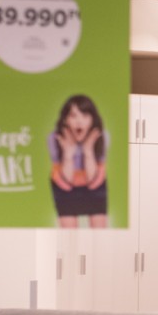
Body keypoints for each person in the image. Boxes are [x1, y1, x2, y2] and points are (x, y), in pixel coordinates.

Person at [48, 94, 108, 228]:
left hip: (95, 185)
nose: (79, 122)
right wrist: (68, 154)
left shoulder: (101, 137)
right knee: (69, 234)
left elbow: (94, 182)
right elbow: (65, 183)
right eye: (73, 116)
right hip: (64, 187)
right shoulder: (55, 138)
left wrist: (88, 151)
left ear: (93, 119)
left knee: (100, 233)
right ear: (65, 119)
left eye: (85, 116)